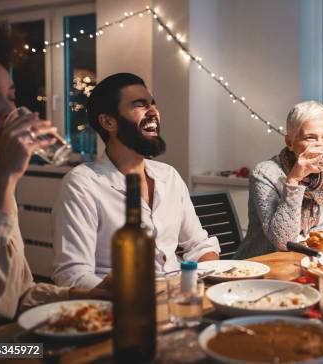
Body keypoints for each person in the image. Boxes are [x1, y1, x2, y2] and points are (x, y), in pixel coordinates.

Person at [0, 12, 110, 328]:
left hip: (6, 343)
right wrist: (8, 176)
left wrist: (82, 296)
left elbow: (16, 295)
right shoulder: (1, 183)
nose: (8, 111)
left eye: (10, 97)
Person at [52, 73, 220, 288]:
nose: (154, 112)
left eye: (153, 104)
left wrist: (217, 281)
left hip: (179, 299)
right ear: (108, 121)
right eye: (140, 105)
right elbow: (71, 275)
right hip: (119, 307)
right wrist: (133, 298)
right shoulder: (82, 184)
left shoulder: (169, 176)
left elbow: (198, 245)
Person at [234, 101, 323, 259]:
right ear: (290, 142)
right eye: (310, 138)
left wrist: (305, 237)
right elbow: (283, 242)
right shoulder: (264, 173)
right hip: (262, 265)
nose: (320, 146)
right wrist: (294, 180)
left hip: (310, 259)